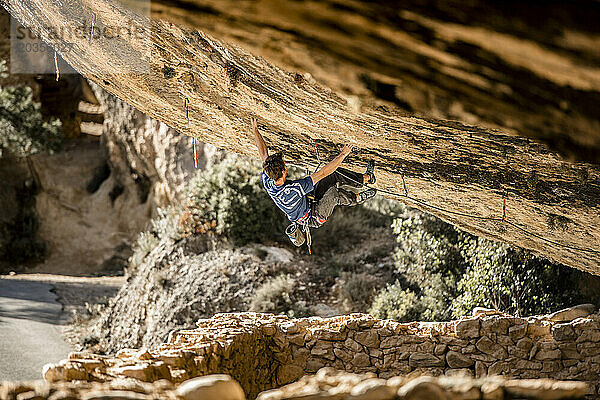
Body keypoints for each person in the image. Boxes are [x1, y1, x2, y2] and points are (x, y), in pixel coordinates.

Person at [250, 117, 376, 235]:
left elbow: (263, 154)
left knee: (334, 174)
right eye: (285, 164)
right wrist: (343, 154)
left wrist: (255, 130)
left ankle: (365, 178)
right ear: (283, 171)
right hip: (314, 217)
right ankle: (356, 198)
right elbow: (323, 172)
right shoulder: (295, 189)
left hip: (309, 200)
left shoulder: (269, 180)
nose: (286, 165)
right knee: (333, 194)